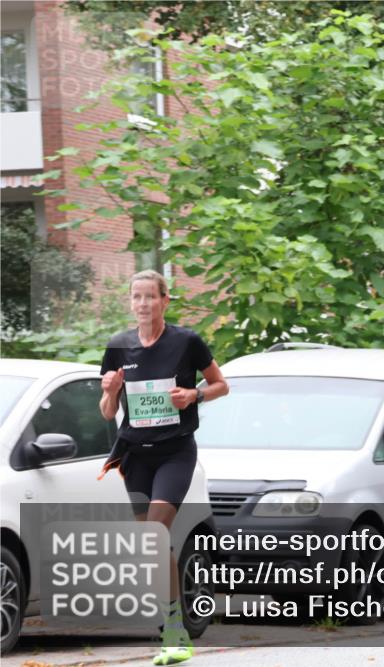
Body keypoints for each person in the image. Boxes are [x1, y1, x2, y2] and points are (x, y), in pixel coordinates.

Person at [98, 270, 229, 666]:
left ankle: (174, 632)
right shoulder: (117, 347)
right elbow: (107, 413)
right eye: (136, 297)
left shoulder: (186, 341)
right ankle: (172, 619)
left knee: (155, 534)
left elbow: (221, 384)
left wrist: (193, 395)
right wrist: (110, 393)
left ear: (165, 300)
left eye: (150, 297)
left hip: (175, 452)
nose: (142, 304)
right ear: (131, 302)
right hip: (136, 455)